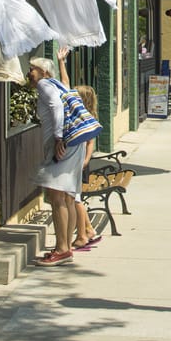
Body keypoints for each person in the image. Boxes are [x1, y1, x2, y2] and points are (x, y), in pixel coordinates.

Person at [28, 51, 102, 266]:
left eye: (32, 69)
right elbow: (67, 84)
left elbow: (56, 106)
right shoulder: (58, 85)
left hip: (63, 144)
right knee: (68, 197)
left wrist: (59, 137)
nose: (29, 73)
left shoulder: (44, 85)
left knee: (56, 196)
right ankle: (66, 247)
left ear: (43, 71)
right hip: (75, 144)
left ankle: (61, 249)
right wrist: (62, 62)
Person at [70, 84, 103, 251]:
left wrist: (85, 160)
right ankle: (88, 229)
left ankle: (83, 234)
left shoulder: (85, 118)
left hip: (79, 163)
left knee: (75, 198)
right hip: (77, 162)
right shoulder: (81, 116)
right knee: (75, 197)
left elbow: (90, 143)